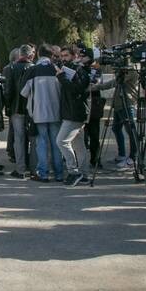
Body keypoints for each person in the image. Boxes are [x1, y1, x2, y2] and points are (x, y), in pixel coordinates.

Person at [21, 45, 64, 182]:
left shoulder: (33, 70)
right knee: (56, 143)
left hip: (38, 112)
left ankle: (43, 173)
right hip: (56, 112)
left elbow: (24, 92)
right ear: (51, 56)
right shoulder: (57, 70)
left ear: (38, 55)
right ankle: (59, 174)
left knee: (42, 143)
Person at [54, 46, 92, 186]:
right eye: (62, 56)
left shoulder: (79, 71)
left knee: (61, 141)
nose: (64, 58)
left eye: (66, 55)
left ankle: (74, 171)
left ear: (74, 56)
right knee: (78, 145)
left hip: (75, 113)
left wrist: (62, 78)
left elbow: (76, 90)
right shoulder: (67, 70)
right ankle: (83, 174)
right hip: (70, 112)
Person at [4, 45, 35, 177]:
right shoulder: (34, 68)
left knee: (19, 138)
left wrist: (8, 106)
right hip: (32, 108)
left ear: (20, 54)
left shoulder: (11, 68)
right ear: (30, 55)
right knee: (34, 138)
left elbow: (8, 90)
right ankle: (34, 169)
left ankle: (20, 168)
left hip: (16, 108)